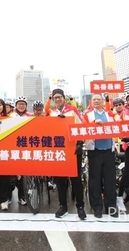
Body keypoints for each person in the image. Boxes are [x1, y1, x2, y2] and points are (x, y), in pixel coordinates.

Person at [49, 88, 87, 220]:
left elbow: (81, 125)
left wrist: (80, 143)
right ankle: (63, 206)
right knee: (60, 180)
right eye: (55, 98)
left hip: (73, 149)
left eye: (59, 97)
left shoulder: (72, 110)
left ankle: (80, 206)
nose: (57, 99)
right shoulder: (52, 113)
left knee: (76, 179)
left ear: (64, 98)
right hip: (59, 150)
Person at [83, 94, 118, 218]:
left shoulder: (110, 115)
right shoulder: (87, 115)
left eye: (98, 99)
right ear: (91, 102)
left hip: (109, 150)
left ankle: (111, 207)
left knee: (110, 180)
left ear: (103, 102)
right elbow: (83, 128)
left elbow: (118, 126)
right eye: (94, 100)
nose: (96, 101)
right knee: (95, 180)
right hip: (95, 151)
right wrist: (93, 123)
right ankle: (97, 207)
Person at [9, 96, 31, 206]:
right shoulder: (10, 116)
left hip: (26, 146)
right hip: (13, 146)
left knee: (24, 174)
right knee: (11, 174)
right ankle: (8, 196)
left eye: (23, 104)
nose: (21, 106)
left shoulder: (30, 116)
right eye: (19, 104)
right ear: (16, 106)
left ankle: (22, 196)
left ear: (26, 106)